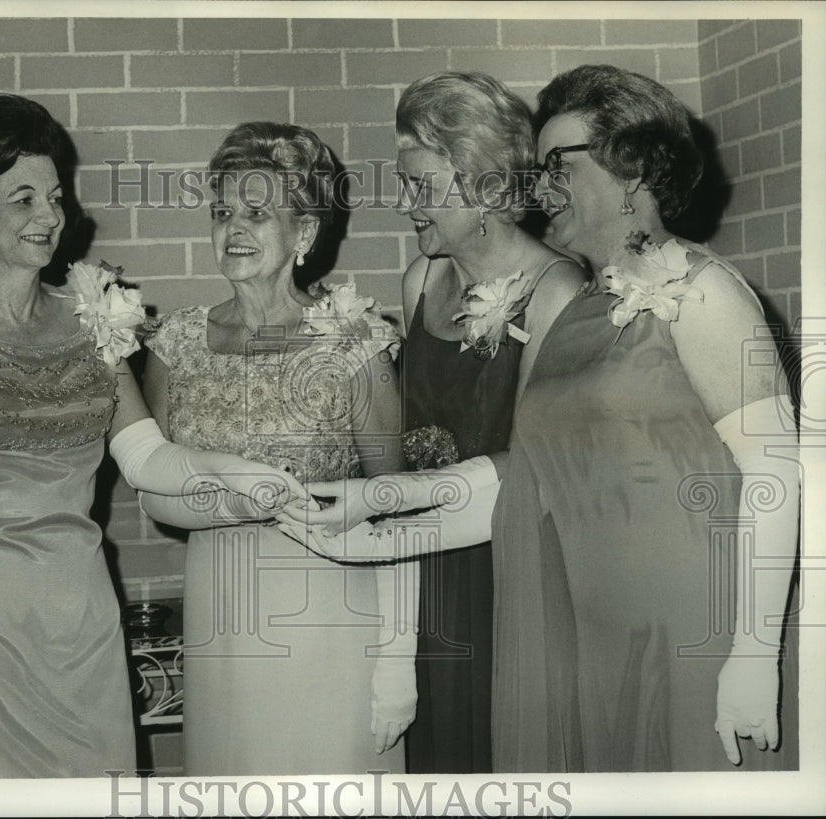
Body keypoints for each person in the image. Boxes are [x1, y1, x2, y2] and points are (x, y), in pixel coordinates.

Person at [287, 64, 801, 773]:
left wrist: (754, 652)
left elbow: (780, 467)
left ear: (633, 167)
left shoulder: (701, 288)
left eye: (557, 164)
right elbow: (523, 490)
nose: (534, 184)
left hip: (698, 633)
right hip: (598, 639)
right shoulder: (581, 309)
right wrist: (373, 520)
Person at [0, 94, 305, 779]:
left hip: (78, 637)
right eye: (23, 198)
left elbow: (148, 457)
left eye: (55, 197)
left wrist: (238, 471)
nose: (49, 217)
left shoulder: (93, 320)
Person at [284, 71, 586, 774]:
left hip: (517, 578)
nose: (402, 203)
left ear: (482, 186)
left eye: (420, 185)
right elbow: (403, 452)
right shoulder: (423, 283)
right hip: (426, 568)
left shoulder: (558, 291)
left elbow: (543, 474)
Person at [137, 121, 412, 776]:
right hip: (221, 628)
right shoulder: (177, 343)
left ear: (306, 233)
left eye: (258, 213)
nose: (234, 228)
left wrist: (399, 660)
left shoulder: (354, 341)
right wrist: (248, 496)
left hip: (333, 627)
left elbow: (401, 509)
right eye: (223, 211)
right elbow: (155, 496)